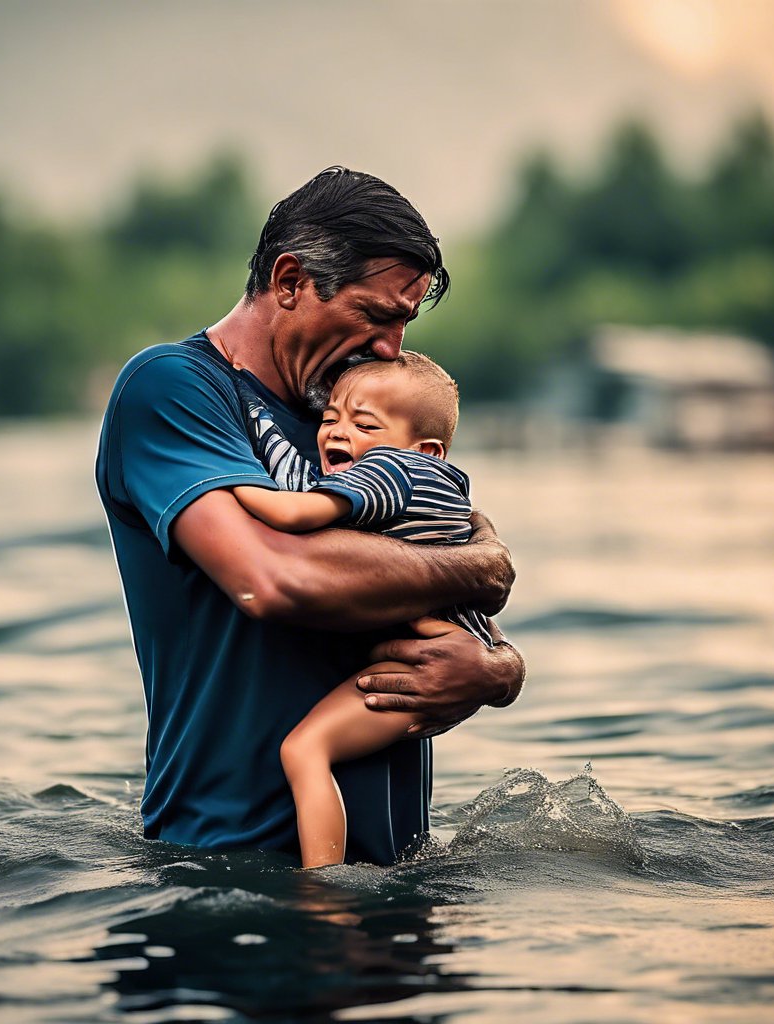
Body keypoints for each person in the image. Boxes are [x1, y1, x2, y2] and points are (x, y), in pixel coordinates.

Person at [95, 166, 525, 866]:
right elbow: (272, 578)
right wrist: (482, 564)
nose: (391, 350)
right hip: (228, 866)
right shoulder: (172, 390)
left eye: (404, 325)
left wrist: (498, 671)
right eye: (375, 316)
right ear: (290, 280)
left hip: (397, 871)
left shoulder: (355, 422)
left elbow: (462, 613)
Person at [232, 351, 500, 866]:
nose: (337, 431)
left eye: (364, 424)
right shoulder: (443, 488)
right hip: (444, 649)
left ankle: (324, 884)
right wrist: (255, 407)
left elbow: (294, 504)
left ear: (424, 450)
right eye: (330, 417)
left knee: (304, 750)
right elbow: (300, 474)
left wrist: (227, 482)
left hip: (413, 667)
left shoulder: (392, 471)